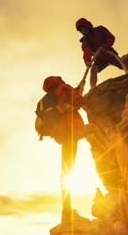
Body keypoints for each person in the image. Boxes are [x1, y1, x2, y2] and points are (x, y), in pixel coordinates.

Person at [41, 76, 91, 225]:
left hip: (62, 134)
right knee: (67, 172)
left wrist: (78, 89)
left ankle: (66, 214)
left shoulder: (53, 95)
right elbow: (80, 101)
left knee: (65, 172)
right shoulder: (63, 88)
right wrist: (79, 94)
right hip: (72, 130)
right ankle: (67, 214)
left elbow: (70, 99)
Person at [75, 18, 123, 90]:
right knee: (93, 69)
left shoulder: (100, 30)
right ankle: (93, 90)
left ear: (87, 26)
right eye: (80, 30)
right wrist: (87, 61)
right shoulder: (85, 41)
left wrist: (104, 46)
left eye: (83, 28)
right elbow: (86, 51)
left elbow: (111, 38)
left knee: (124, 64)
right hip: (100, 59)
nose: (83, 31)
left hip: (111, 55)